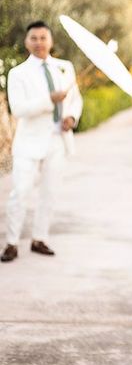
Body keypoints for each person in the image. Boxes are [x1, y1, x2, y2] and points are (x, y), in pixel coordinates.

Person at [1, 21, 83, 263]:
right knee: (20, 192)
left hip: (58, 140)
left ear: (51, 41)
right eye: (34, 38)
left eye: (43, 38)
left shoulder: (65, 68)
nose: (39, 43)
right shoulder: (17, 73)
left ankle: (40, 239)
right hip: (28, 143)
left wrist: (71, 117)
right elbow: (18, 109)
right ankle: (12, 242)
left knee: (50, 193)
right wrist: (50, 100)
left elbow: (76, 100)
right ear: (27, 42)